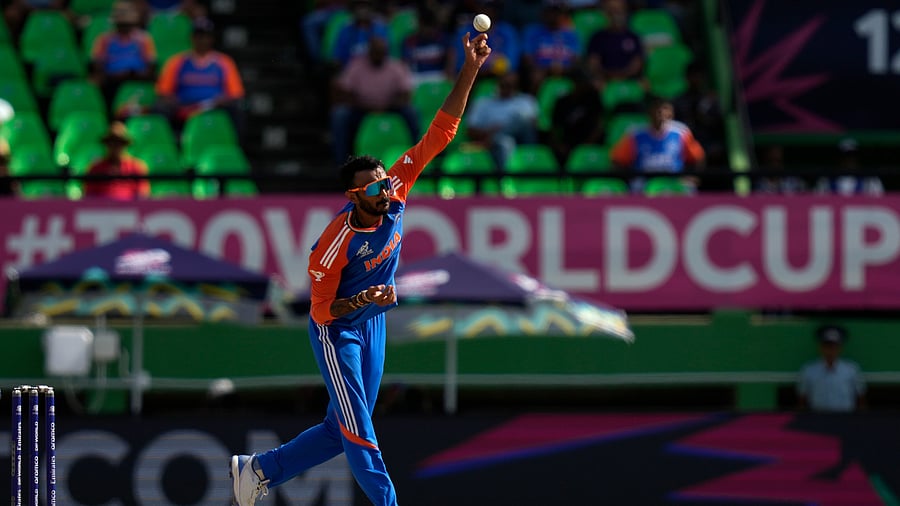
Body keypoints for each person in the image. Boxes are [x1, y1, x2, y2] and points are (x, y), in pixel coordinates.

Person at [229, 32, 491, 506]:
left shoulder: (396, 188)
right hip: (338, 331)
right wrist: (365, 299)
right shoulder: (334, 245)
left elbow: (441, 132)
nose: (384, 191)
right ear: (354, 198)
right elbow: (323, 310)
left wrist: (470, 68)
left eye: (383, 183)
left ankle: (259, 470)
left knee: (340, 427)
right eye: (372, 189)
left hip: (372, 325)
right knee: (358, 428)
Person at [330, 36, 419, 164]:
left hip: (390, 107)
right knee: (340, 115)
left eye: (381, 52)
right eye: (376, 52)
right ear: (369, 52)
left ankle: (417, 157)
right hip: (362, 108)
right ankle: (342, 162)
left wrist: (386, 105)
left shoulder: (396, 66)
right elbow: (344, 92)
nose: (379, 55)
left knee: (411, 111)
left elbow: (405, 93)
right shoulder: (356, 65)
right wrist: (364, 104)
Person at [155, 17, 245, 128]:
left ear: (212, 38)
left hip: (214, 106)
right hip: (184, 106)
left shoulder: (224, 61)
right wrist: (181, 104)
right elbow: (164, 92)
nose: (202, 40)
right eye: (199, 36)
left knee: (238, 108)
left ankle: (235, 143)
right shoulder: (177, 62)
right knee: (160, 107)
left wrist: (216, 102)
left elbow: (236, 94)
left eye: (206, 36)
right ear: (192, 38)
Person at [610, 97, 704, 191]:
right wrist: (629, 178)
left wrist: (693, 177)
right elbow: (617, 160)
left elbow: (698, 157)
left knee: (689, 187)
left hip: (675, 179)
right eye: (657, 109)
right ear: (649, 112)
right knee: (636, 185)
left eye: (665, 108)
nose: (661, 112)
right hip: (645, 181)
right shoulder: (635, 134)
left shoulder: (681, 132)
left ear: (671, 113)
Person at [466, 70, 539, 170]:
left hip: (523, 142)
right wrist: (488, 131)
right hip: (494, 145)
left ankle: (497, 135)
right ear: (497, 84)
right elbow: (470, 130)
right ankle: (506, 181)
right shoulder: (483, 103)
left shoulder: (526, 101)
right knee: (506, 142)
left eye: (511, 85)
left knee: (521, 118)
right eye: (504, 84)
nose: (507, 88)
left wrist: (501, 130)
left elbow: (532, 127)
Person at [91, 0, 157, 103]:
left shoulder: (143, 39)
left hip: (137, 79)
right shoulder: (105, 40)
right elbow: (98, 64)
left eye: (127, 24)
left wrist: (137, 74)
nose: (124, 27)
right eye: (122, 24)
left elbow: (151, 63)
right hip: (112, 81)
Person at [797, 325, 866, 412]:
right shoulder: (809, 370)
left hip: (845, 419)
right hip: (818, 419)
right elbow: (802, 399)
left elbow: (860, 397)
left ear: (840, 348)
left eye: (834, 347)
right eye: (827, 346)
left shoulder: (851, 370)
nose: (830, 350)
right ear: (821, 348)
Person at [521, 0, 580, 92]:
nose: (553, 16)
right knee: (535, 76)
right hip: (541, 70)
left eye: (556, 13)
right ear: (544, 13)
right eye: (550, 12)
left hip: (566, 71)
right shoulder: (533, 32)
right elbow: (527, 58)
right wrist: (546, 68)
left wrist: (563, 69)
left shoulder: (571, 35)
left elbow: (576, 59)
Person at [83, 121, 151, 199]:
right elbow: (89, 196)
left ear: (125, 145)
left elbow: (142, 195)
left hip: (130, 209)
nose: (115, 147)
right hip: (101, 209)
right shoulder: (95, 168)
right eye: (111, 142)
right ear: (107, 144)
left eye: (119, 143)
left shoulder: (136, 167)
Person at [549, 67, 603, 164]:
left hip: (588, 143)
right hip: (567, 145)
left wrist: (587, 145)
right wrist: (560, 146)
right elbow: (554, 128)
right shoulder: (562, 102)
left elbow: (599, 125)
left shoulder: (593, 98)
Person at [585, 0, 644, 86]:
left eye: (619, 11)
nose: (616, 15)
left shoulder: (633, 37)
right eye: (612, 11)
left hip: (629, 79)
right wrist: (609, 76)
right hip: (605, 81)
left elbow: (637, 63)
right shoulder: (597, 37)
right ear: (606, 13)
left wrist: (622, 75)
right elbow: (593, 63)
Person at [814, 138, 884, 196]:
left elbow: (880, 201)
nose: (850, 160)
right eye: (846, 156)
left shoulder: (870, 181)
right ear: (839, 158)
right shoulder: (825, 181)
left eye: (853, 156)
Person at [331, 0, 389, 67]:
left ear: (372, 9)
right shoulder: (345, 30)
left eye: (366, 7)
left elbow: (388, 56)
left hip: (376, 72)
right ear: (353, 9)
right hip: (350, 72)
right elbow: (337, 58)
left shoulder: (381, 29)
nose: (363, 10)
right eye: (359, 7)